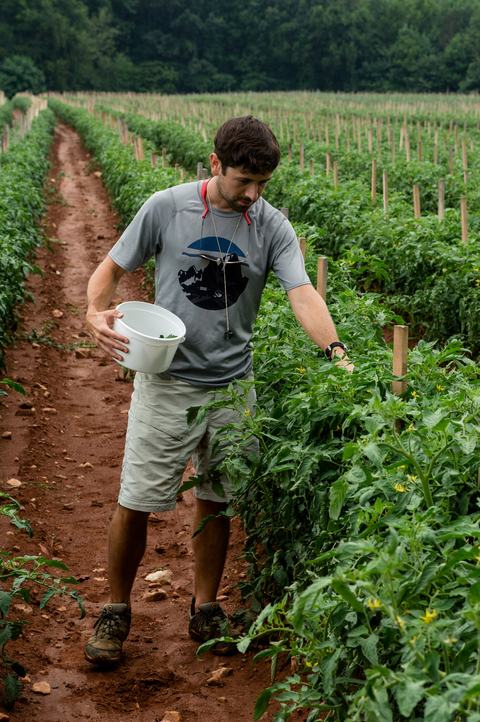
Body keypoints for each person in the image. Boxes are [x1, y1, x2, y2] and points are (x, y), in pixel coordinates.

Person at [83, 115, 350, 666]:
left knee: (218, 499)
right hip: (167, 382)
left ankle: (205, 606)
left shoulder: (272, 226)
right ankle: (115, 609)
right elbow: (110, 267)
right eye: (242, 182)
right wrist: (92, 311)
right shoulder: (166, 207)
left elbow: (302, 292)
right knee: (136, 500)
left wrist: (336, 352)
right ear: (214, 166)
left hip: (234, 389)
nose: (252, 195)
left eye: (262, 185)